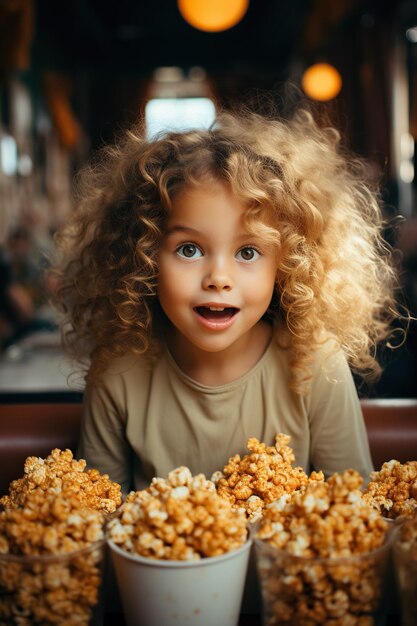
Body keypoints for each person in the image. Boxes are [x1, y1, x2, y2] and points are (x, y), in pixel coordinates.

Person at [54, 107, 401, 495]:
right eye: (189, 249)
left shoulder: (315, 363)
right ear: (144, 258)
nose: (218, 279)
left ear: (287, 264)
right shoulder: (117, 372)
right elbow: (96, 518)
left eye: (248, 253)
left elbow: (353, 512)